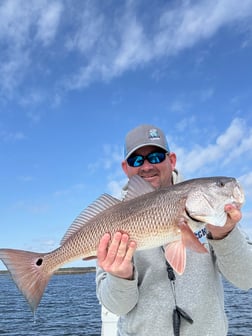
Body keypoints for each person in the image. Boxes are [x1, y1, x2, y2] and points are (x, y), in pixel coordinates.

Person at [96, 124, 252, 336]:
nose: (146, 166)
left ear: (172, 160)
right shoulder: (110, 219)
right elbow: (117, 308)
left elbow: (246, 279)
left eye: (156, 156)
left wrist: (225, 235)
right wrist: (120, 276)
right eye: (136, 160)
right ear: (125, 168)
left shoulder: (213, 212)